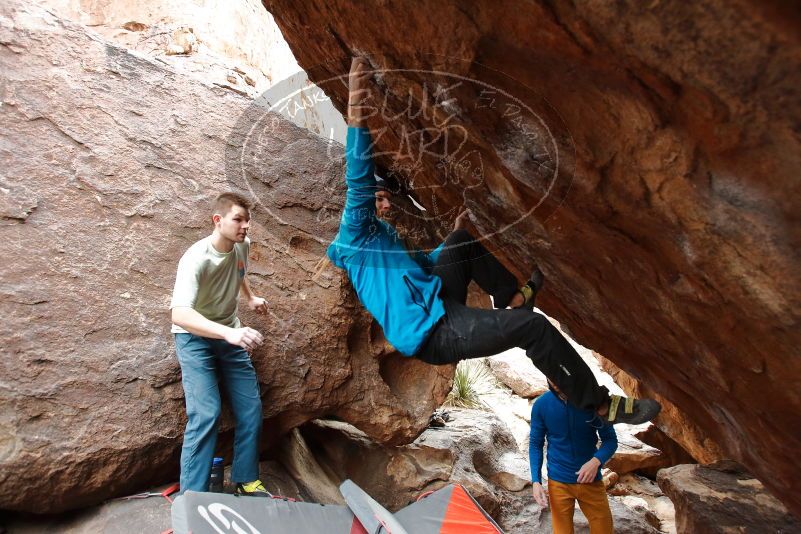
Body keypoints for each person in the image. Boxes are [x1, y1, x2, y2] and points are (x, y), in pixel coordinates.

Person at [326, 56, 660, 424]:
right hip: (434, 332)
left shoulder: (383, 234)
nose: (386, 203)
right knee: (533, 329)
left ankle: (513, 298)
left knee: (460, 242)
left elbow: (421, 265)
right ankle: (598, 404)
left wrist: (453, 234)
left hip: (436, 301)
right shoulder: (355, 232)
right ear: (364, 204)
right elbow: (358, 175)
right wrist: (357, 96)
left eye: (388, 197)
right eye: (380, 198)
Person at [170, 192, 270, 496]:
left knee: (251, 407)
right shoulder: (196, 258)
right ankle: (193, 495)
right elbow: (179, 313)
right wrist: (228, 334)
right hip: (194, 338)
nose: (245, 226)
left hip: (230, 333)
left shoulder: (243, 245)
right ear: (218, 220)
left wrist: (250, 297)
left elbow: (239, 271)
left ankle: (246, 479)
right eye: (238, 219)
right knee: (206, 413)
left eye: (247, 220)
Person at [530, 381, 618, 534]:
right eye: (549, 375)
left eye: (558, 375)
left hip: (591, 480)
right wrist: (536, 481)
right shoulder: (541, 405)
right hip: (558, 483)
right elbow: (535, 444)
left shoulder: (592, 401)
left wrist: (596, 461)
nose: (554, 380)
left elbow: (610, 440)